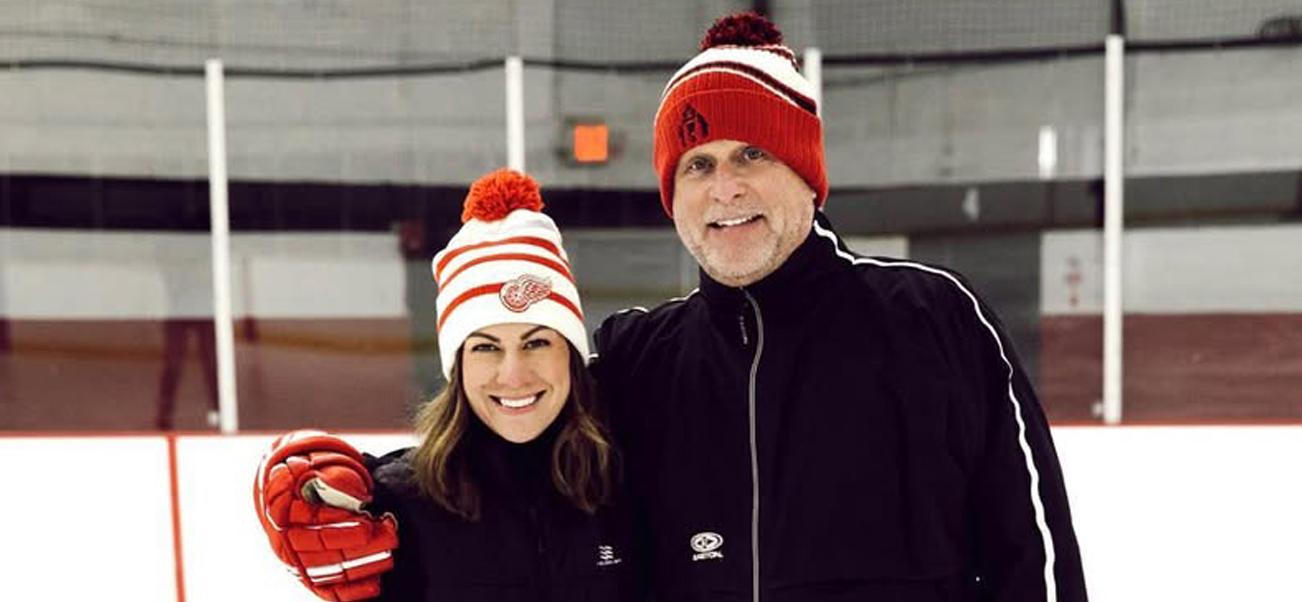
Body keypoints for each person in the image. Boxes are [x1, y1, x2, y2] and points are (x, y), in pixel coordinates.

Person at [587, 12, 1087, 602]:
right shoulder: (637, 363)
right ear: (673, 197)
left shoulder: (933, 319)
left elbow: (1033, 555)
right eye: (698, 165)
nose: (725, 188)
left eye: (752, 154)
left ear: (806, 171)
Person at [253, 169, 641, 602]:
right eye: (485, 348)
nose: (513, 374)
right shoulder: (398, 508)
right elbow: (313, 495)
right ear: (457, 367)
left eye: (535, 342)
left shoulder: (632, 482)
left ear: (569, 353)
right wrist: (296, 491)